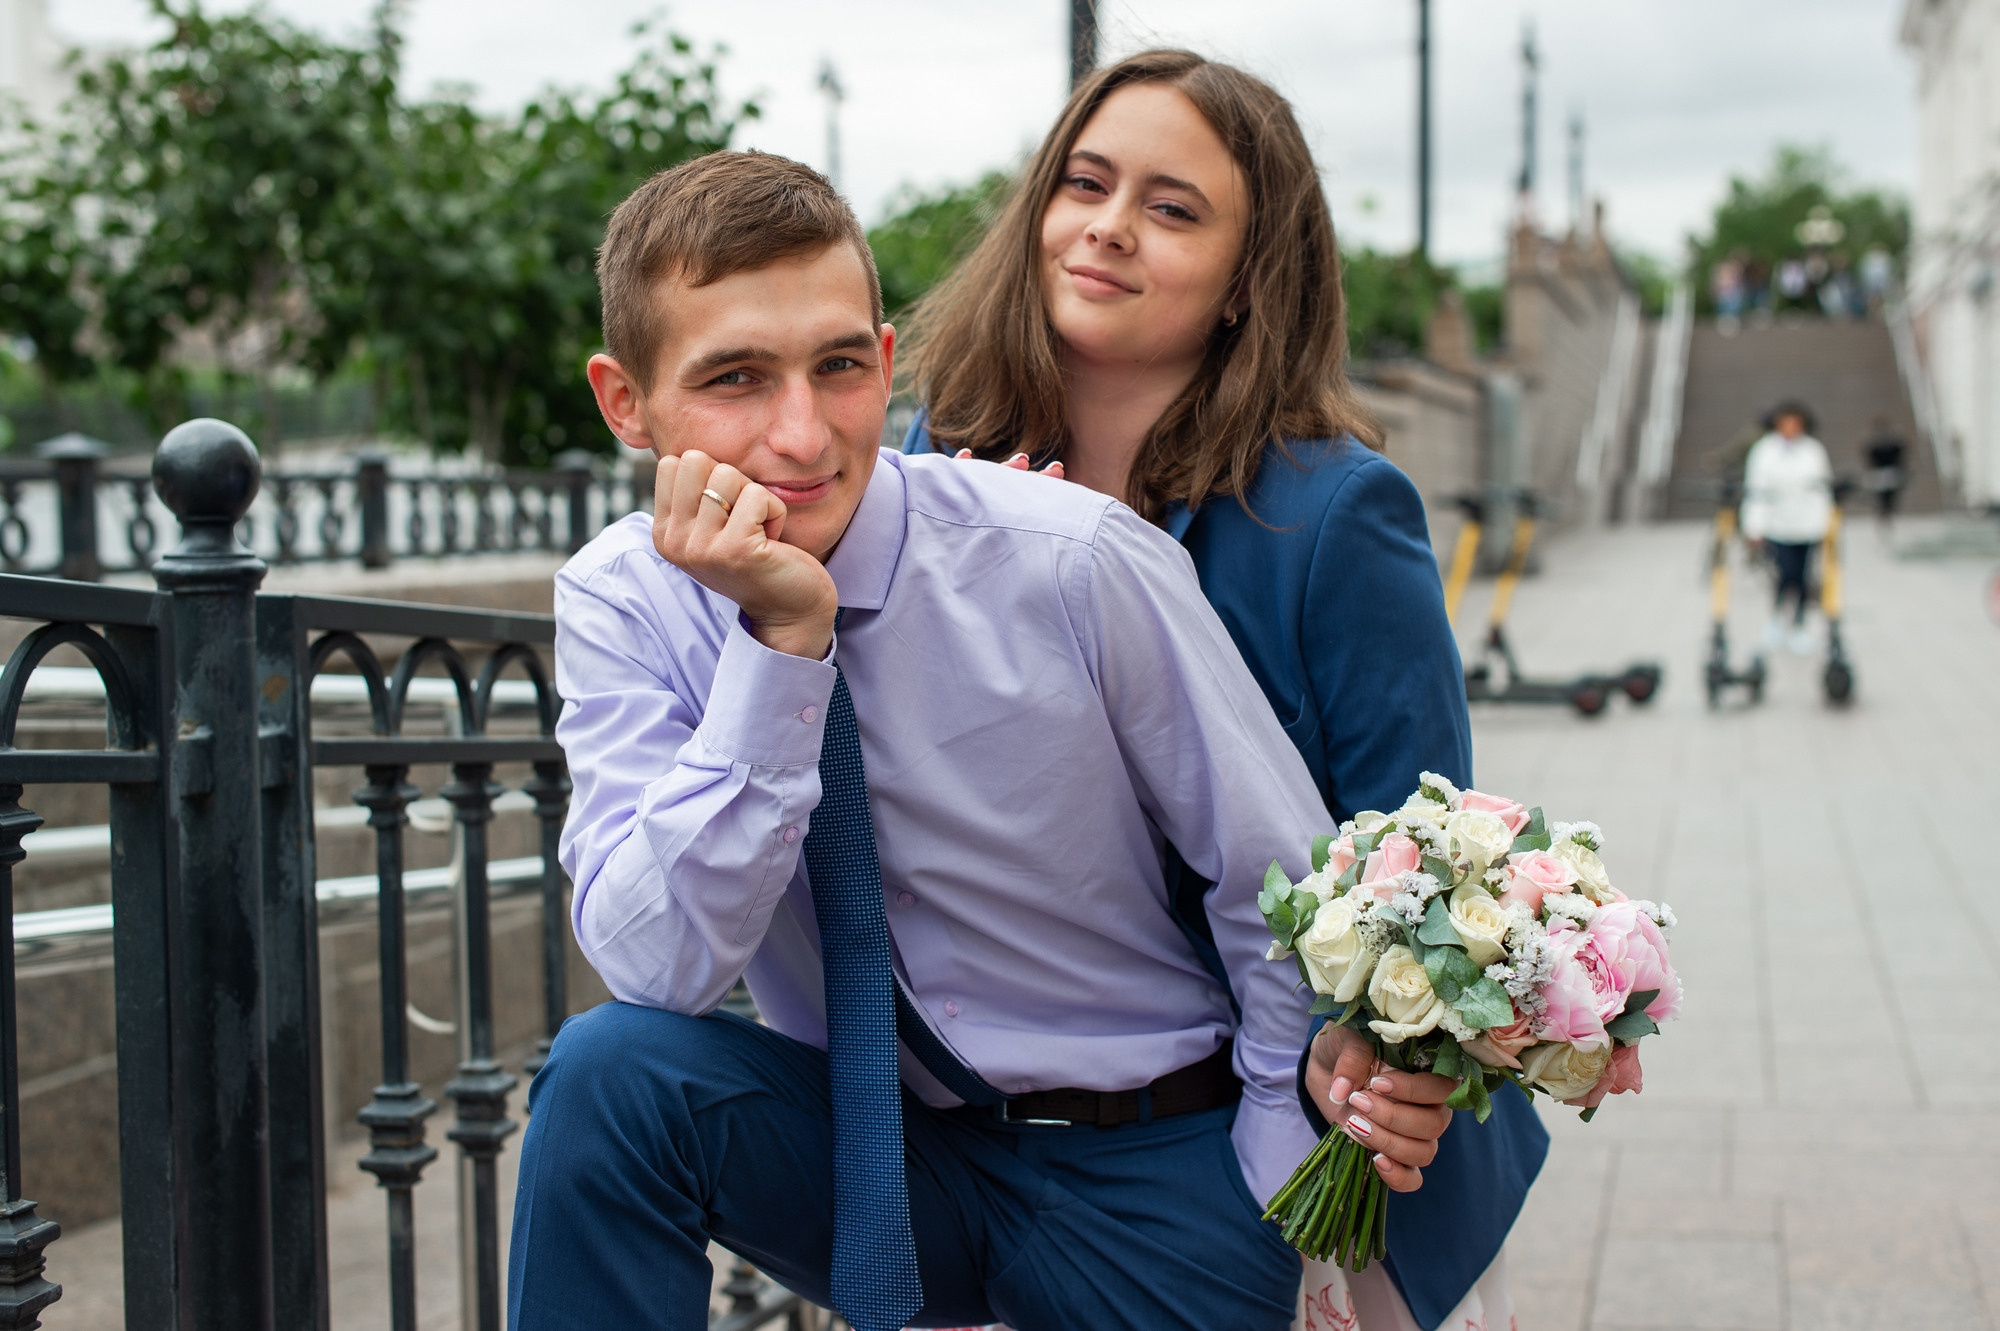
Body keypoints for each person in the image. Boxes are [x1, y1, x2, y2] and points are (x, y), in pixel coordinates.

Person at [507, 150, 1457, 1331]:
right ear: (624, 401)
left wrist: (1265, 1164)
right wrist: (780, 650)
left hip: (1150, 1157)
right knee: (610, 1079)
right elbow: (659, 968)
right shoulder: (622, 598)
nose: (800, 434)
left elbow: (1278, 874)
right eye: (735, 379)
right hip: (879, 1155)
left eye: (839, 366)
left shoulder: (1072, 558)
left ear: (887, 360)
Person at [899, 49, 1546, 1331]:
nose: (1108, 227)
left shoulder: (1329, 516)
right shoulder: (924, 467)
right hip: (991, 1129)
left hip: (1270, 1137)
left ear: (1250, 279)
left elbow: (1416, 859)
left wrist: (1368, 1059)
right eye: (1083, 183)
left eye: (1171, 207)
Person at [1740, 400, 1832, 654]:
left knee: (1803, 577)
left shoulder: (1813, 451)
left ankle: (1800, 624)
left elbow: (1823, 489)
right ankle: (1777, 619)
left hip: (1808, 524)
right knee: (1784, 574)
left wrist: (1825, 525)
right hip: (1777, 524)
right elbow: (1756, 490)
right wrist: (1754, 526)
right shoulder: (1763, 451)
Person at [1863, 416, 1907, 530]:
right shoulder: (1881, 442)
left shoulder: (1889, 441)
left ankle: (1887, 512)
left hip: (1887, 471)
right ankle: (1885, 512)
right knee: (1884, 495)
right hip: (1883, 472)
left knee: (1888, 495)